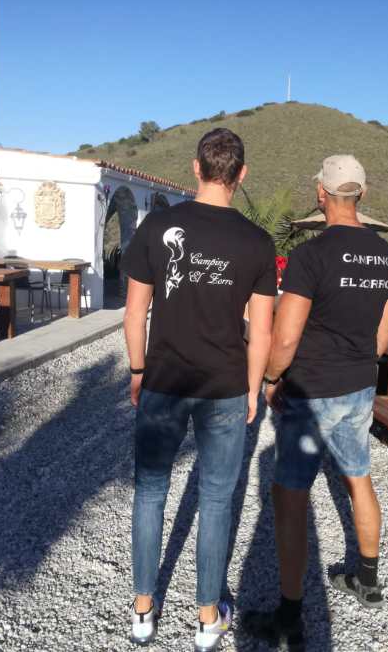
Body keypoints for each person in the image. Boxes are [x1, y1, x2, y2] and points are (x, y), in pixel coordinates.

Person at [121, 128, 277, 651]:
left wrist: (138, 371)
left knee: (150, 492)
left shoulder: (156, 227)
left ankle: (143, 611)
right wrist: (253, 389)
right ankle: (208, 618)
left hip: (164, 379)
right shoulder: (257, 243)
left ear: (196, 168)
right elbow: (262, 331)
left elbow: (135, 314)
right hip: (225, 385)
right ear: (242, 174)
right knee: (216, 500)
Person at [244, 155, 388, 647]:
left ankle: (290, 615)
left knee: (290, 494)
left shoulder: (311, 255)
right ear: (362, 195)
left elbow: (286, 337)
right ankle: (367, 580)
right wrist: (357, 364)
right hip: (360, 384)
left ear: (321, 195)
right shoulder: (385, 255)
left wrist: (272, 378)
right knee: (358, 476)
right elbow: (383, 336)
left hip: (312, 390)